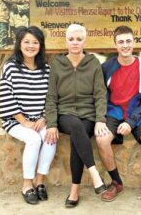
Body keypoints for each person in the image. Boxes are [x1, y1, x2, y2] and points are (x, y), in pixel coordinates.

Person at [96, 25, 141, 204]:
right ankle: (116, 182)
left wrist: (131, 122)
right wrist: (100, 118)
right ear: (115, 45)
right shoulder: (106, 68)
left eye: (128, 41)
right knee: (101, 139)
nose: (125, 45)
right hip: (114, 112)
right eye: (121, 42)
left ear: (134, 42)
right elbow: (100, 95)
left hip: (139, 114)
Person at [44, 24, 107, 208]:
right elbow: (51, 97)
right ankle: (94, 173)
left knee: (77, 137)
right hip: (65, 114)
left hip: (88, 114)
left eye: (79, 39)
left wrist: (100, 119)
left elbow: (100, 94)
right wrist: (51, 123)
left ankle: (75, 190)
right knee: (76, 127)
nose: (75, 42)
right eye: (71, 39)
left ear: (84, 41)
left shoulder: (93, 63)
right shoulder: (57, 64)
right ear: (66, 41)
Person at [0, 26, 56, 205]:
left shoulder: (45, 68)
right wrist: (25, 122)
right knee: (34, 139)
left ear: (40, 45)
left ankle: (39, 182)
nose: (31, 46)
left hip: (39, 118)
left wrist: (43, 118)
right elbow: (6, 97)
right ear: (19, 44)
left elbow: (51, 97)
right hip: (15, 119)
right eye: (27, 42)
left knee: (50, 136)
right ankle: (27, 184)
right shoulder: (10, 67)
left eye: (35, 42)